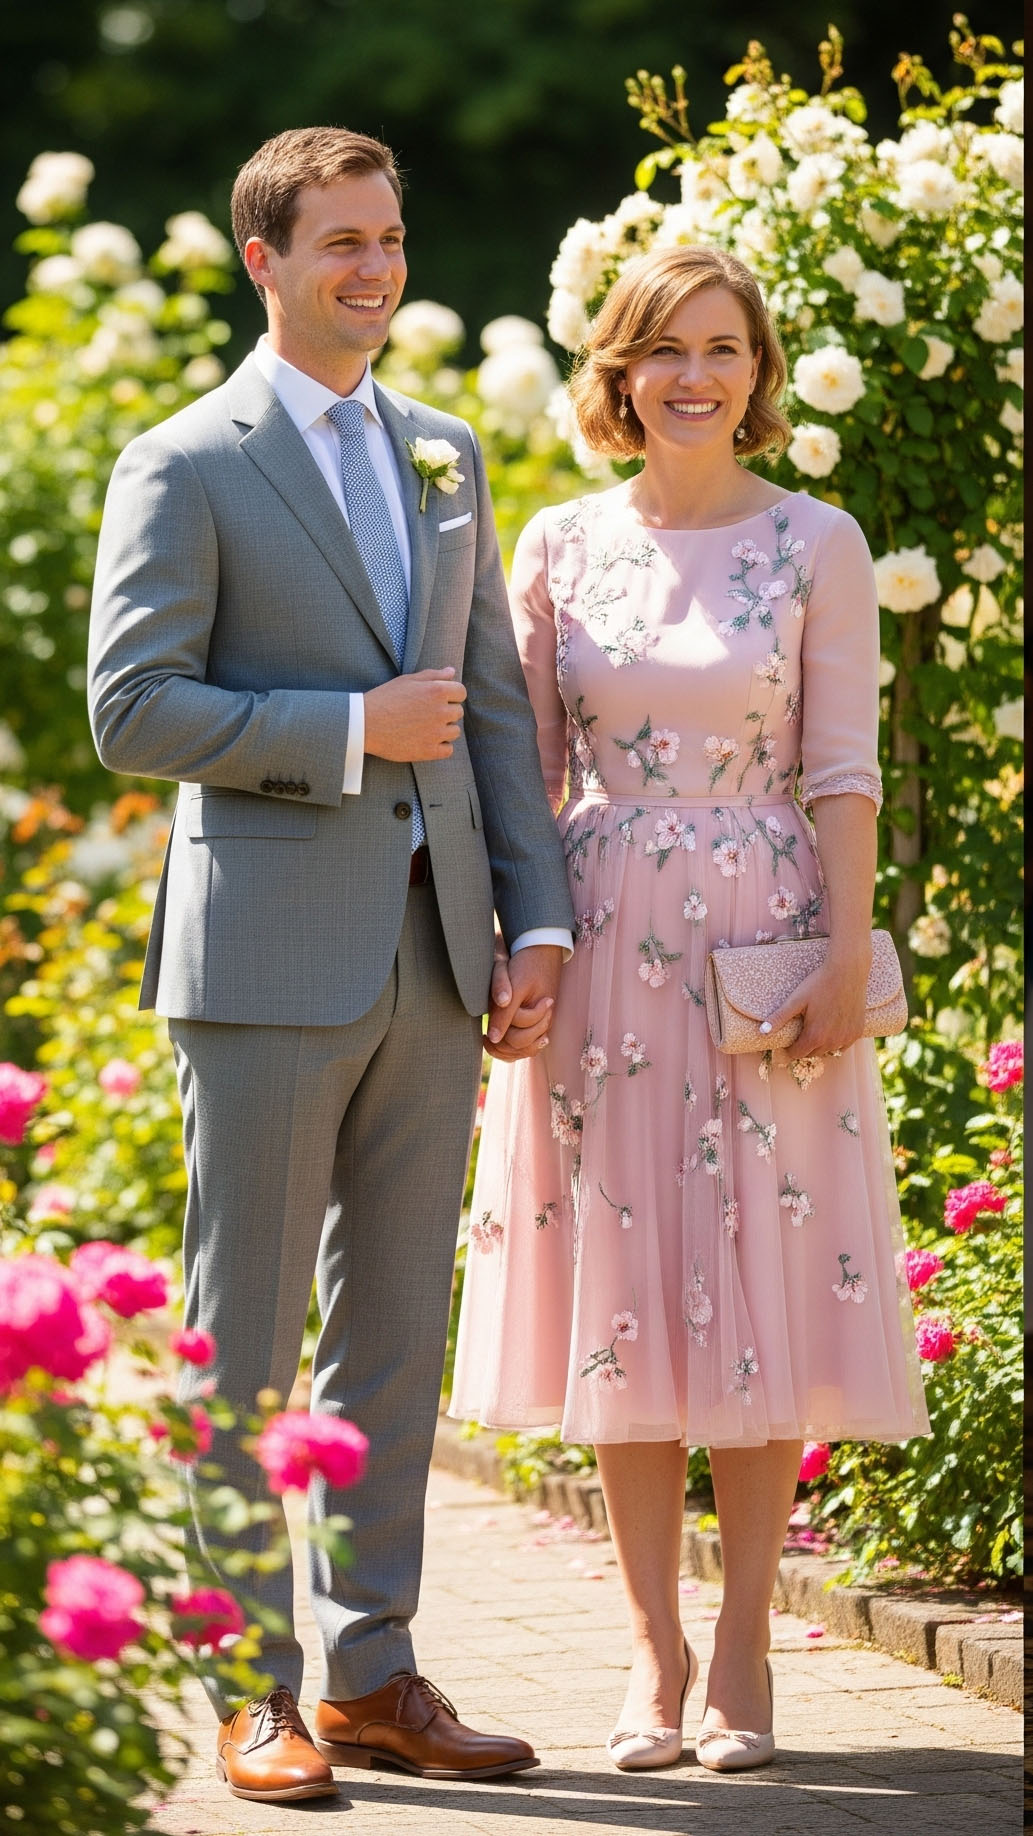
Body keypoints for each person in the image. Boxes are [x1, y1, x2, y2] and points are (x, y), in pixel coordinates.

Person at [87, 125, 574, 1804]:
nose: (374, 267)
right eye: (338, 242)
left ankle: (372, 1672)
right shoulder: (185, 460)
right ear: (264, 263)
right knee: (246, 1340)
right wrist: (346, 730)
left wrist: (541, 920)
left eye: (387, 237)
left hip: (441, 960)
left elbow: (493, 705)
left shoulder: (441, 453)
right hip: (265, 963)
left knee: (386, 1346)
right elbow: (129, 711)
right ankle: (246, 1683)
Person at [451, 243, 930, 1774]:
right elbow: (521, 785)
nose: (694, 377)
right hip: (595, 952)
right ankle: (649, 1660)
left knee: (757, 1286)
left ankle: (743, 1658)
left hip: (764, 937)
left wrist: (845, 961)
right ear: (616, 374)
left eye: (722, 350)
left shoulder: (818, 541)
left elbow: (842, 767)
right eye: (664, 350)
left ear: (757, 373)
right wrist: (516, 951)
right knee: (629, 1296)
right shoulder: (557, 543)